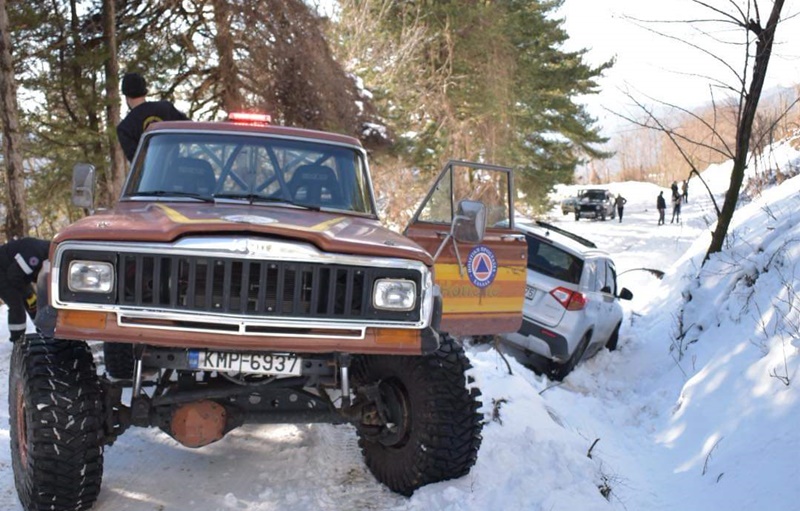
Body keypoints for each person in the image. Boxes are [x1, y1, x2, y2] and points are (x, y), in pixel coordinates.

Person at [116, 72, 189, 162]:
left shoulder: (125, 127)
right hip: (174, 168)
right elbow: (192, 130)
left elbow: (137, 163)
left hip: (152, 175)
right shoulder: (166, 108)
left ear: (126, 96)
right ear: (145, 92)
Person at [0, 237, 50, 342]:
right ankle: (18, 340)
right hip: (4, 273)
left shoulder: (46, 251)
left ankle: (44, 331)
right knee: (17, 306)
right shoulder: (36, 254)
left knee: (33, 302)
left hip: (15, 274)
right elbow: (14, 275)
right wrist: (26, 293)